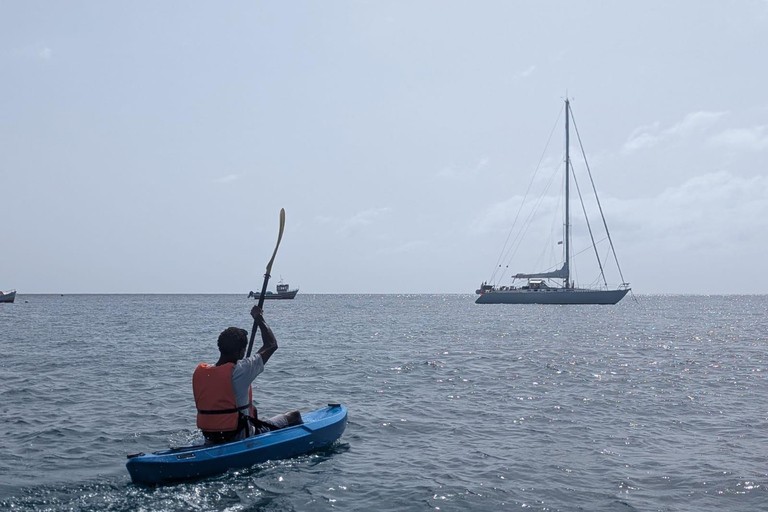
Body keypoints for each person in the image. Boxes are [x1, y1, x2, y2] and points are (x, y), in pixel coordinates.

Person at [192, 305, 302, 444]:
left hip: (211, 437)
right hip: (240, 437)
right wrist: (259, 317)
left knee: (254, 414)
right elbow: (271, 344)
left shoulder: (202, 372)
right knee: (294, 415)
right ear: (240, 352)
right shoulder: (241, 370)